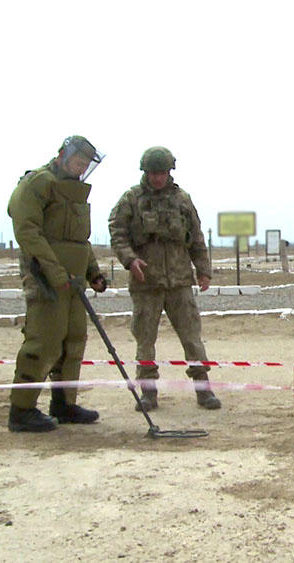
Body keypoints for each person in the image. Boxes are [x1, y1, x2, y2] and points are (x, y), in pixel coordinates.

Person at [7, 135, 108, 432]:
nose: (80, 168)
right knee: (44, 342)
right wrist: (55, 273)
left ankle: (64, 404)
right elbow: (27, 232)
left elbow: (79, 241)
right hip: (47, 281)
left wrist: (93, 273)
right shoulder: (37, 183)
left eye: (85, 164)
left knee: (73, 342)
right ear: (63, 154)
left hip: (73, 284)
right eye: (77, 161)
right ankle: (22, 411)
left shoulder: (74, 191)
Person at [108, 146, 220, 412]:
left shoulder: (182, 199)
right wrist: (129, 259)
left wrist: (203, 269)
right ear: (145, 173)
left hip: (180, 281)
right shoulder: (131, 199)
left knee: (192, 338)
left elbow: (196, 236)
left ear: (170, 172)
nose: (157, 178)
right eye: (152, 173)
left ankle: (203, 390)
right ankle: (148, 393)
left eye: (162, 172)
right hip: (146, 282)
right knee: (145, 339)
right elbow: (117, 232)